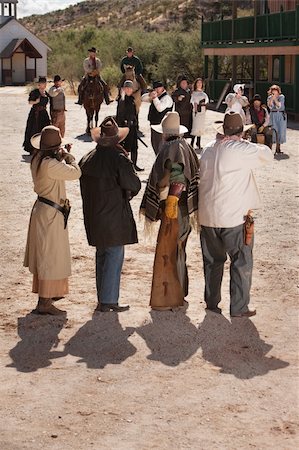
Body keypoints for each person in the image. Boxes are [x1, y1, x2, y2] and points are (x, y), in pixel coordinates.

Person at [198, 112, 273, 317]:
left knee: (212, 261)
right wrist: (245, 143)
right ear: (240, 133)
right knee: (241, 261)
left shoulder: (207, 149)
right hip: (232, 217)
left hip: (207, 216)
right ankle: (239, 307)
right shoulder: (240, 149)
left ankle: (212, 303)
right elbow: (267, 154)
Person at [79, 117, 141, 312]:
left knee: (102, 256)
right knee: (114, 257)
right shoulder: (119, 159)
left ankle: (103, 299)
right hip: (114, 217)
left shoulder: (87, 158)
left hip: (94, 217)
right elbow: (134, 184)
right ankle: (109, 300)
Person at [140, 112, 199, 310]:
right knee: (178, 249)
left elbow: (179, 177)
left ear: (165, 133)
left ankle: (176, 294)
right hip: (182, 207)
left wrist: (172, 200)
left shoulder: (173, 148)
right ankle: (180, 292)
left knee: (174, 250)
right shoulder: (183, 145)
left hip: (175, 207)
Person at [24, 126, 81, 315]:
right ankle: (44, 302)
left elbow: (54, 168)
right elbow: (75, 173)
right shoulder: (50, 164)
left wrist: (61, 156)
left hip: (45, 210)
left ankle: (49, 293)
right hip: (50, 214)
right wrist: (69, 157)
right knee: (50, 256)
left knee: (48, 254)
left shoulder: (39, 159)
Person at [116, 80, 144, 172]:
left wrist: (135, 123)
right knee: (125, 147)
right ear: (124, 89)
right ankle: (125, 166)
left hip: (133, 126)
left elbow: (135, 113)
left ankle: (134, 165)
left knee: (134, 147)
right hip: (125, 127)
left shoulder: (132, 99)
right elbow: (119, 114)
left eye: (130, 88)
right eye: (126, 88)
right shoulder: (122, 100)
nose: (128, 90)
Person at [142, 81, 173, 155]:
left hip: (162, 127)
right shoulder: (156, 96)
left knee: (161, 147)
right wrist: (150, 95)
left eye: (158, 88)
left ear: (162, 88)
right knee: (155, 145)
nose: (157, 90)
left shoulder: (167, 98)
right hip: (154, 125)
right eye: (155, 88)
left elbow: (160, 108)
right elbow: (142, 98)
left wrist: (155, 98)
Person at [23, 76, 51, 154]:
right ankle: (32, 148)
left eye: (45, 83)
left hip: (43, 114)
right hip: (35, 114)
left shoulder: (46, 93)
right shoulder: (35, 92)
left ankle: (43, 148)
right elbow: (29, 102)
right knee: (34, 130)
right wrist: (36, 101)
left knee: (44, 130)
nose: (44, 85)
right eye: (42, 83)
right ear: (39, 84)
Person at [190, 77, 209, 150]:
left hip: (203, 111)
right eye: (198, 83)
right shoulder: (194, 93)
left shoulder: (204, 94)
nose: (199, 84)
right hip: (196, 111)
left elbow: (206, 101)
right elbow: (192, 102)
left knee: (200, 127)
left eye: (200, 83)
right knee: (195, 126)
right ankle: (192, 142)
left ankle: (198, 142)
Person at [267, 84, 287, 154]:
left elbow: (280, 106)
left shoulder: (281, 97)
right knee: (273, 131)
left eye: (276, 92)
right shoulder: (269, 98)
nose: (274, 94)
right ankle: (270, 148)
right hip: (273, 115)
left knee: (280, 131)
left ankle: (278, 148)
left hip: (281, 115)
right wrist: (272, 99)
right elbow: (270, 106)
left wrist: (275, 99)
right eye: (273, 92)